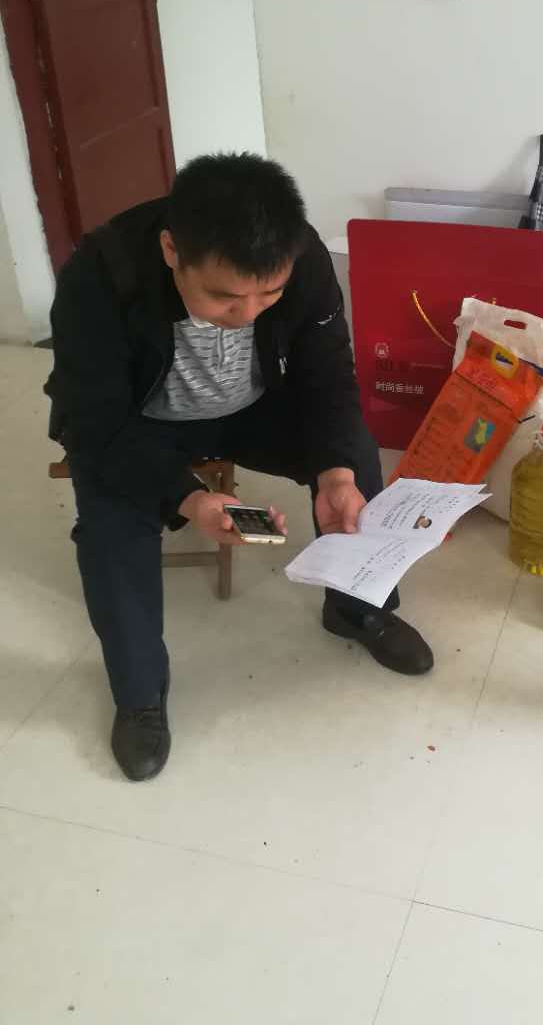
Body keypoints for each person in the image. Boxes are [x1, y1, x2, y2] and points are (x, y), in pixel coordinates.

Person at [46, 153, 433, 782]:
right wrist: (187, 496)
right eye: (224, 296)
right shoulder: (99, 274)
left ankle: (357, 606)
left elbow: (328, 375)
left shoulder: (301, 255)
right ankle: (139, 694)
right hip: (141, 423)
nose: (249, 313)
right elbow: (94, 424)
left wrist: (334, 472)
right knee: (111, 526)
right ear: (172, 250)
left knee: (353, 458)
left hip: (254, 408)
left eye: (269, 294)